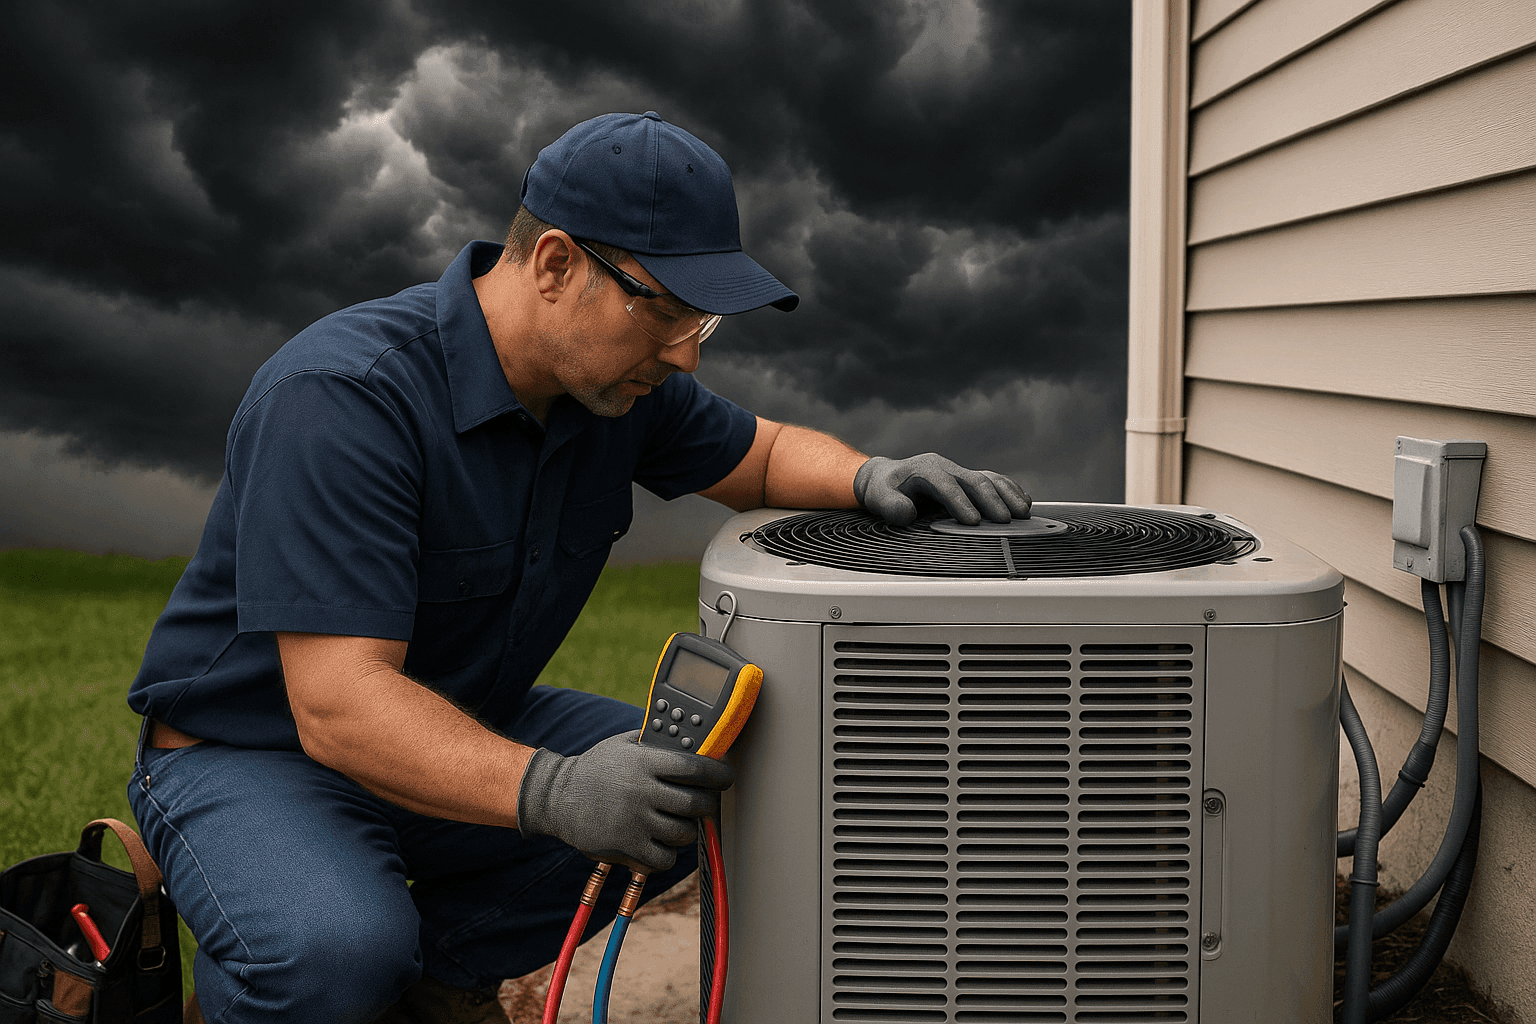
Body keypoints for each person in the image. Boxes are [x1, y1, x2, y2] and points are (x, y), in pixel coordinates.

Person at [126, 111, 1031, 1024]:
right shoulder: (344, 400)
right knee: (333, 951)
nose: (687, 352)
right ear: (555, 265)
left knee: (707, 781)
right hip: (253, 752)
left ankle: (441, 985)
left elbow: (760, 457)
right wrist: (556, 793)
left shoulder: (614, 388)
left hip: (465, 715)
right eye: (668, 310)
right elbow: (339, 705)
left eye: (704, 317)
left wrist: (872, 475)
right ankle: (279, 982)